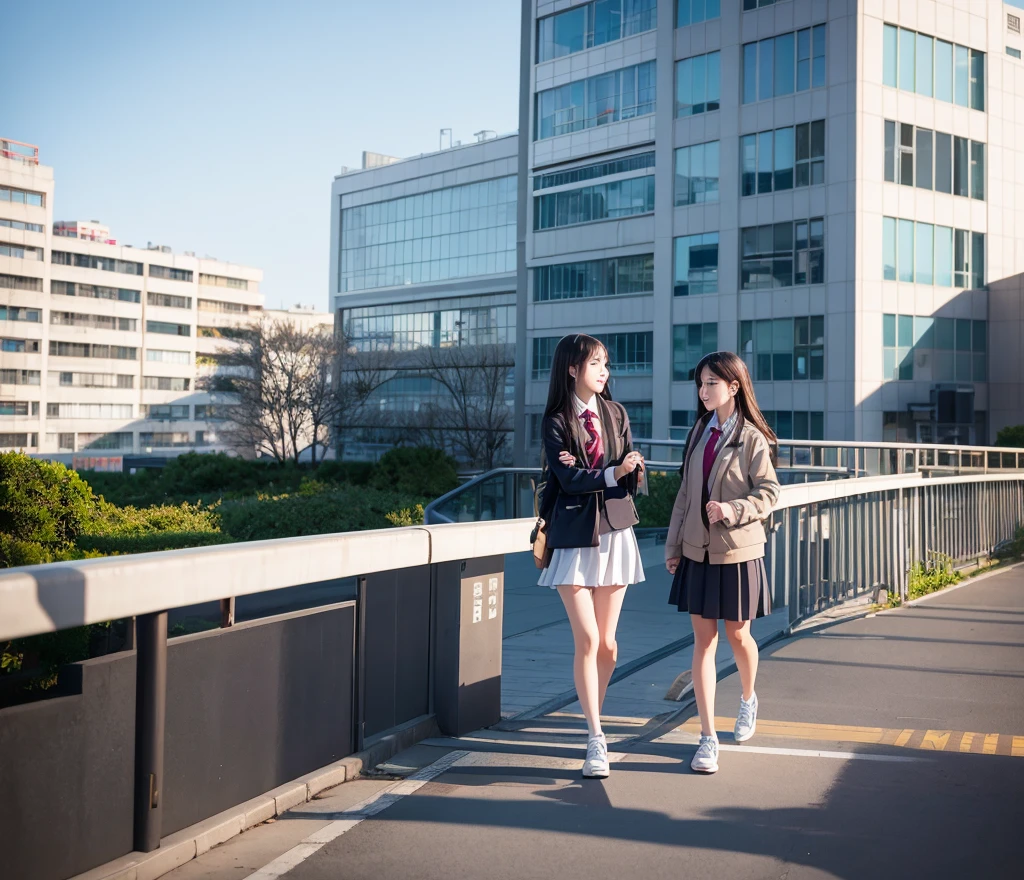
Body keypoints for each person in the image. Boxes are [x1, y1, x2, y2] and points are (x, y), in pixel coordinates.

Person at [665, 351, 780, 774]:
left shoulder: (752, 438)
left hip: (737, 551)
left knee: (739, 636)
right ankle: (707, 736)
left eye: (711, 382)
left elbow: (769, 493)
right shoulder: (699, 431)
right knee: (703, 642)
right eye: (700, 383)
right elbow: (684, 494)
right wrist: (674, 546)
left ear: (733, 386)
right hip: (697, 551)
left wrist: (732, 510)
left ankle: (748, 699)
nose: (703, 390)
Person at [537, 333, 646, 779]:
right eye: (595, 363)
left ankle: (591, 720)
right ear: (572, 369)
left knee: (607, 643)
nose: (604, 371)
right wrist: (612, 472)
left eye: (605, 363)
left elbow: (626, 474)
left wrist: (633, 469)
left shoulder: (616, 412)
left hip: (616, 531)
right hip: (574, 535)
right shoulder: (556, 421)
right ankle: (596, 736)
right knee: (585, 639)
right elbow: (568, 477)